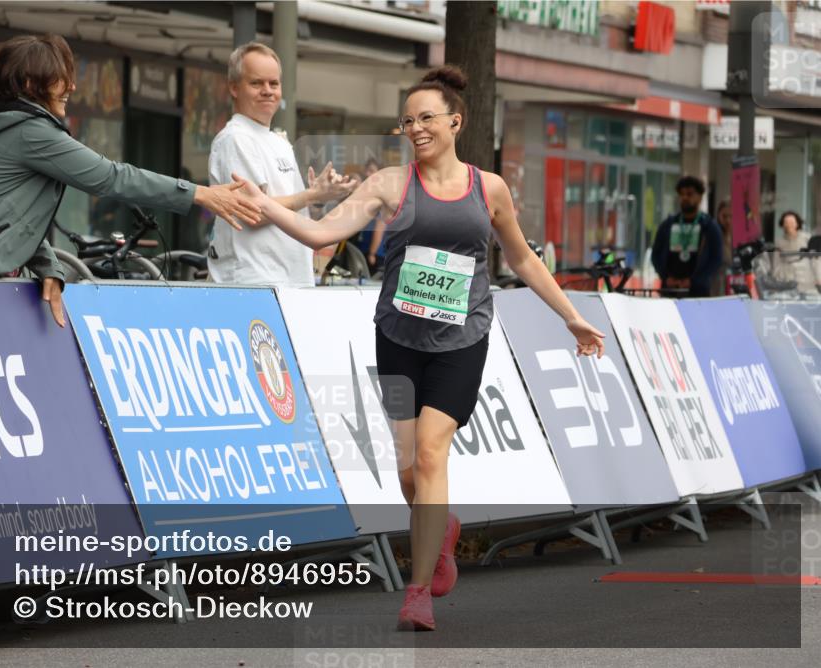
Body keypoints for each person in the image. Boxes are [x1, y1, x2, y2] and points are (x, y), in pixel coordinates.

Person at [232, 65, 605, 631]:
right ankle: (443, 530)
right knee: (409, 474)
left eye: (427, 117)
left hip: (463, 338)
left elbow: (524, 259)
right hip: (400, 338)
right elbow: (319, 233)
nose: (416, 128)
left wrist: (573, 317)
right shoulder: (389, 183)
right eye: (408, 120)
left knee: (432, 453)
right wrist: (265, 203)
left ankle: (416, 591)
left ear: (456, 121)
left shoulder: (490, 189)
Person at [0, 34, 260, 326]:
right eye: (61, 78)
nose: (72, 87)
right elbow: (110, 177)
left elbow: (9, 220)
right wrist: (198, 193)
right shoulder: (30, 133)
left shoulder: (0, 127)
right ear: (30, 84)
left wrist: (47, 265)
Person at [207, 42, 358, 287]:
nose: (268, 90)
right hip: (254, 282)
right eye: (256, 83)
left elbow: (286, 207)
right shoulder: (236, 138)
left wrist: (320, 195)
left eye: (274, 83)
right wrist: (310, 195)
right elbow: (253, 213)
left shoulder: (275, 140)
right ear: (234, 88)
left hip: (288, 281)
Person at [651, 176, 723, 298]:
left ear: (700, 197)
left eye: (690, 194)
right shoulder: (667, 224)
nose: (685, 198)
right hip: (669, 290)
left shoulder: (709, 226)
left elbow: (716, 259)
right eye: (682, 194)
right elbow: (656, 255)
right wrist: (665, 277)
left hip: (698, 293)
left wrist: (695, 281)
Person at [353, 158, 389, 272]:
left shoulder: (382, 196)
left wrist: (372, 253)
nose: (368, 174)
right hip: (363, 250)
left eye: (372, 170)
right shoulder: (368, 195)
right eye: (367, 170)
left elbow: (380, 226)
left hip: (376, 255)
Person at [773, 210, 821, 295]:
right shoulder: (779, 242)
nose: (789, 225)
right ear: (783, 225)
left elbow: (816, 260)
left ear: (797, 223)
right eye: (786, 222)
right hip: (789, 280)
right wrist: (777, 281)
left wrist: (819, 278)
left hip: (807, 278)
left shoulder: (807, 238)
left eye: (792, 222)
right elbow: (776, 264)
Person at [714, 200, 732, 296]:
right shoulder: (714, 235)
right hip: (717, 283)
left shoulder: (736, 237)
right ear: (718, 216)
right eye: (724, 216)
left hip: (733, 283)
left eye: (731, 216)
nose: (728, 220)